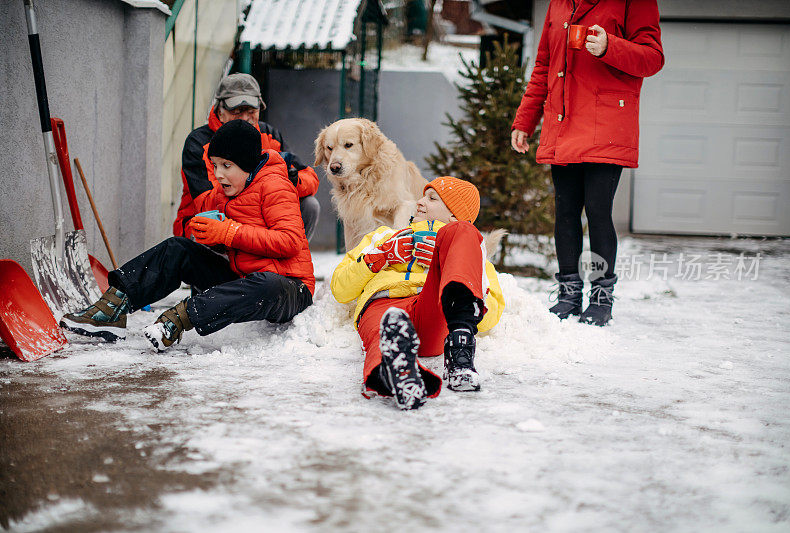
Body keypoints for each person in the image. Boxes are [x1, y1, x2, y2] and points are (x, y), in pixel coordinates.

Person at [61, 120, 314, 350]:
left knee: (267, 284)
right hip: (244, 278)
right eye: (215, 165)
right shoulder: (223, 192)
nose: (219, 174)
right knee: (178, 248)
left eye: (227, 165)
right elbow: (213, 230)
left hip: (290, 288)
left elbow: (290, 242)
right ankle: (112, 308)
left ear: (247, 165)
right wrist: (210, 237)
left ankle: (178, 320)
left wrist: (229, 232)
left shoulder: (275, 186)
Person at [511, 0, 664, 326]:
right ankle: (568, 295)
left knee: (597, 211)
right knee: (565, 211)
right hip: (564, 122)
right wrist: (525, 120)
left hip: (606, 124)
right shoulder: (559, 4)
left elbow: (652, 58)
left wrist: (610, 46)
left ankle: (601, 297)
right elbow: (544, 65)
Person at [330, 177, 505, 410]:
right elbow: (340, 289)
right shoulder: (383, 236)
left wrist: (445, 263)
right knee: (387, 330)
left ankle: (460, 349)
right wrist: (381, 257)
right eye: (423, 195)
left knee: (465, 232)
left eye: (432, 198)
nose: (420, 202)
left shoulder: (468, 252)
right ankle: (396, 374)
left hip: (432, 311)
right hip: (382, 306)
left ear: (453, 214)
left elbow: (489, 317)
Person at [173, 73, 320, 241]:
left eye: (251, 111)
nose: (244, 118)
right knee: (208, 221)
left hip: (256, 217)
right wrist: (257, 188)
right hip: (211, 222)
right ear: (219, 112)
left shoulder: (269, 134)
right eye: (236, 112)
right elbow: (207, 204)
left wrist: (292, 182)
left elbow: (309, 178)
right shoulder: (198, 143)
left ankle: (287, 261)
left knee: (309, 205)